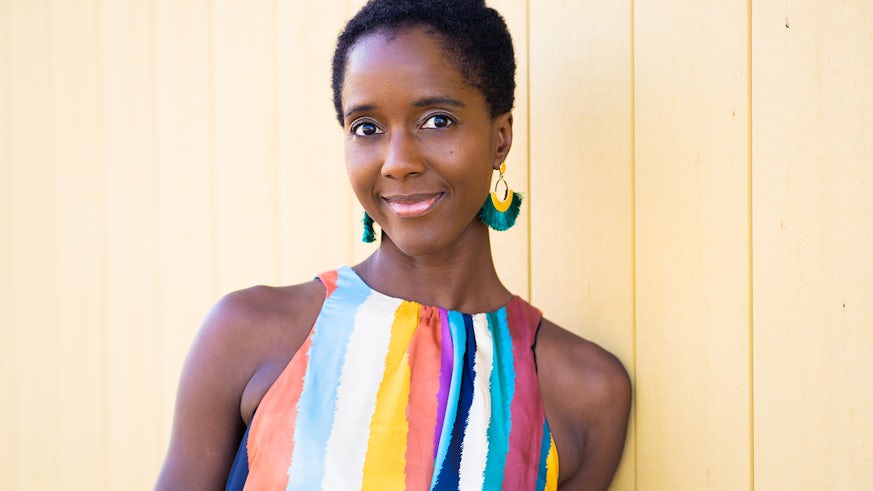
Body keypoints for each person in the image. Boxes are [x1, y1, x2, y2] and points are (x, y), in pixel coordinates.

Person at [156, 0, 631, 489]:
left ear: (500, 138)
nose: (397, 162)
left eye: (437, 120)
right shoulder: (249, 335)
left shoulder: (583, 393)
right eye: (367, 128)